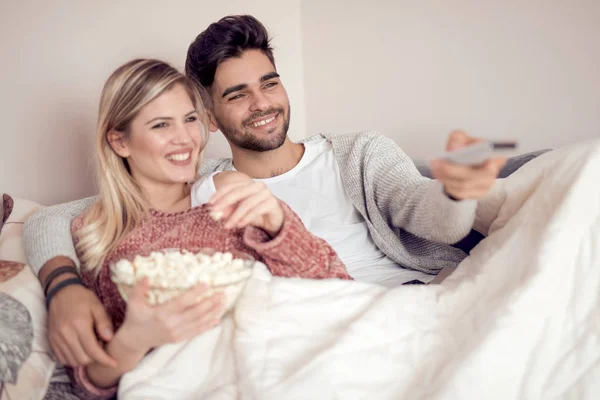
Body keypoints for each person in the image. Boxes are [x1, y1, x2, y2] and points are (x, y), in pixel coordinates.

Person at [23, 15, 505, 371]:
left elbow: (431, 217)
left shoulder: (357, 153)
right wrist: (63, 287)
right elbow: (51, 219)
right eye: (236, 95)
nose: (262, 104)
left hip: (402, 302)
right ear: (210, 116)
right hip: (305, 337)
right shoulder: (199, 185)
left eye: (269, 84)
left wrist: (456, 192)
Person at [56, 58, 350, 398]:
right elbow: (85, 384)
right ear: (120, 142)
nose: (184, 139)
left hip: (282, 374)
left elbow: (340, 289)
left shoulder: (230, 198)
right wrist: (134, 340)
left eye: (190, 119)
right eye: (161, 125)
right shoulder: (94, 234)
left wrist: (278, 223)